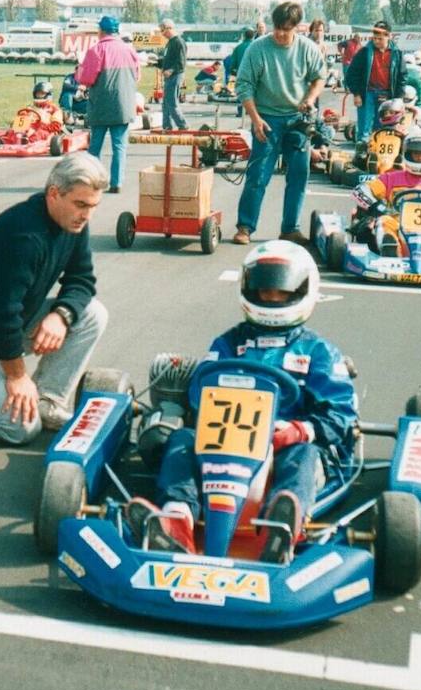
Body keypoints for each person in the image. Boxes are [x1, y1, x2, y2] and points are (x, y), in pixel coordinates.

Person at [125, 240, 357, 563]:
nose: (272, 298)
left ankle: (281, 524)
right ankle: (177, 520)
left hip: (286, 445)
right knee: (181, 440)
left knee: (303, 455)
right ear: (250, 291)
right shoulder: (229, 343)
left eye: (282, 292)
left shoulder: (318, 352)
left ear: (302, 292)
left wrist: (299, 430)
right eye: (265, 292)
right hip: (226, 440)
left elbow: (340, 414)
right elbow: (198, 392)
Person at [0, 154, 110, 444]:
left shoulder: (73, 222)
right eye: (81, 205)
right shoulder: (24, 236)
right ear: (54, 194)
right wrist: (17, 377)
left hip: (9, 324)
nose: (87, 215)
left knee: (92, 314)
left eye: (93, 206)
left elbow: (82, 280)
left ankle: (47, 401)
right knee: (21, 429)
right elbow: (2, 314)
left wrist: (61, 315)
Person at [232, 1, 325, 246]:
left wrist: (309, 100)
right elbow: (243, 86)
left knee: (298, 175)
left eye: (286, 29)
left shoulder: (308, 49)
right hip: (267, 119)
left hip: (297, 120)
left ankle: (290, 228)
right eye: (277, 28)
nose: (280, 33)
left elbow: (319, 78)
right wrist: (255, 119)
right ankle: (245, 226)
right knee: (258, 175)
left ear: (296, 27)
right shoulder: (257, 49)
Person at [351, 128, 421, 259]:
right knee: (385, 221)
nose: (419, 157)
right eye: (415, 153)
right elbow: (360, 191)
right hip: (398, 226)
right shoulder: (391, 178)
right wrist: (377, 207)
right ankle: (391, 249)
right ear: (407, 153)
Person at [76, 14, 140, 193]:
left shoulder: (96, 50)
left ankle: (91, 181)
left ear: (101, 31)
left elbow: (87, 79)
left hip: (101, 105)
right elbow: (137, 76)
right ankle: (117, 182)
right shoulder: (129, 50)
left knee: (95, 146)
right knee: (119, 146)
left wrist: (79, 71)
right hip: (123, 106)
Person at [343, 20, 404, 144]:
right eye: (374, 38)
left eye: (380, 39)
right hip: (367, 94)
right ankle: (361, 155)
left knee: (383, 127)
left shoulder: (397, 54)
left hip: (387, 95)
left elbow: (402, 76)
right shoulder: (364, 52)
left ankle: (380, 159)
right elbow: (351, 74)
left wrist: (399, 98)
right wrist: (356, 94)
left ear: (389, 36)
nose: (376, 41)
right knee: (364, 129)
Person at [158, 18, 188, 130]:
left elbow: (181, 62)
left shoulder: (178, 42)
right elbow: (168, 59)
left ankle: (183, 125)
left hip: (175, 75)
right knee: (166, 103)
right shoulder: (170, 43)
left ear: (169, 28)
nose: (162, 33)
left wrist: (170, 70)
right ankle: (166, 126)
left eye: (162, 30)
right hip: (170, 76)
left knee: (171, 102)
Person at [227, 27, 255, 116]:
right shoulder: (256, 46)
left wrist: (232, 72)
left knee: (241, 91)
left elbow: (233, 62)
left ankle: (240, 111)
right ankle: (251, 111)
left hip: (241, 72)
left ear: (244, 36)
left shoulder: (238, 48)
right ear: (253, 36)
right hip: (254, 73)